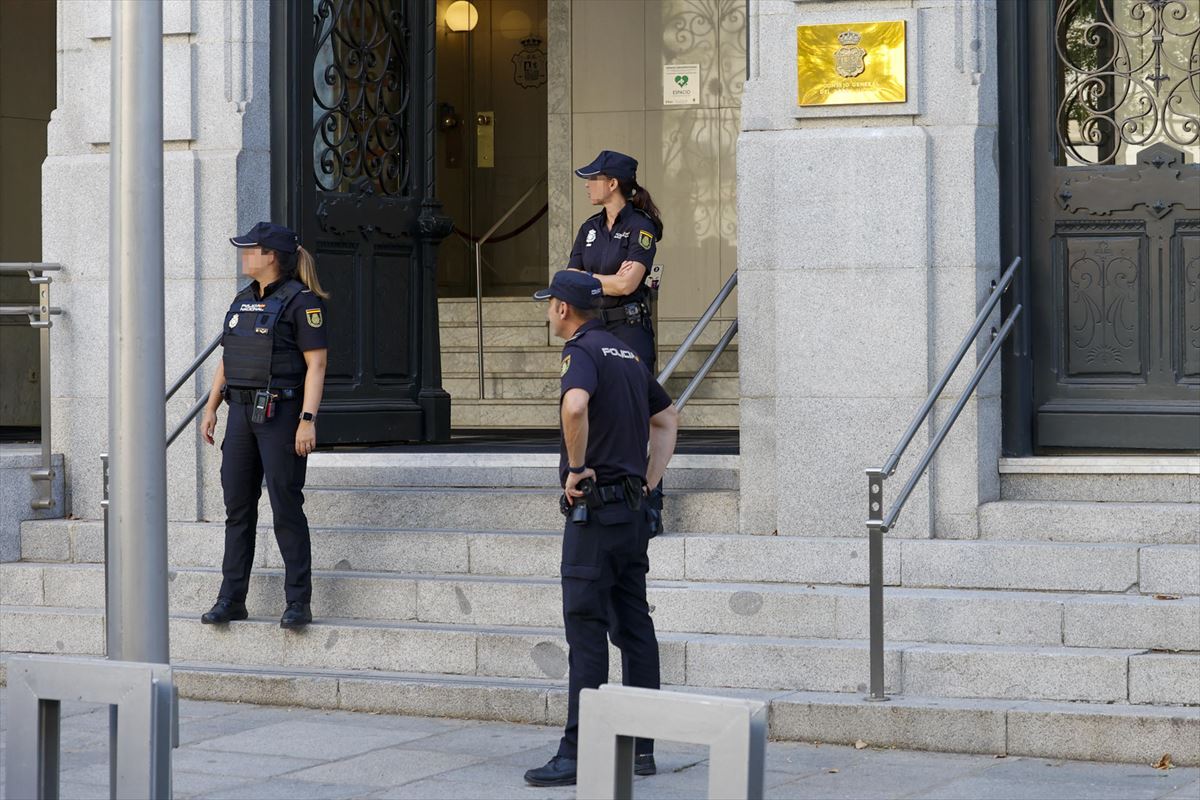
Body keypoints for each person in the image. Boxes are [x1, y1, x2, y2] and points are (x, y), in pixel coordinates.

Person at [524, 270, 680, 788]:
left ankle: (579, 752)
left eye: (551, 305)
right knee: (634, 627)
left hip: (594, 514)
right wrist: (648, 483)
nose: (549, 312)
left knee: (586, 629)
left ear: (565, 310)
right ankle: (640, 750)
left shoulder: (582, 352)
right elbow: (667, 419)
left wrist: (576, 469)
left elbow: (574, 405)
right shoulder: (627, 355)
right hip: (630, 514)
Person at [198, 221, 329, 630]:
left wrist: (307, 420)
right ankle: (231, 598)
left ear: (271, 255)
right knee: (238, 509)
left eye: (250, 248)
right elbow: (227, 358)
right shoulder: (241, 300)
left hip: (282, 416)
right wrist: (211, 406)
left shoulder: (301, 301)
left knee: (286, 508)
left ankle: (297, 603)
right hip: (240, 416)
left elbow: (317, 364)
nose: (244, 254)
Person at [567, 150, 664, 372]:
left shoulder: (641, 226)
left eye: (593, 178)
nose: (587, 185)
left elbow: (627, 284)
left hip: (628, 330)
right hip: (592, 328)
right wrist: (609, 281)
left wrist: (588, 278)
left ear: (612, 184)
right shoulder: (588, 228)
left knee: (634, 403)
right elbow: (571, 284)